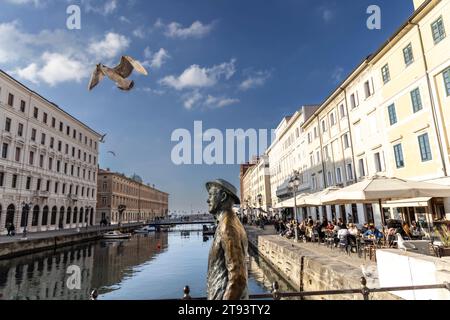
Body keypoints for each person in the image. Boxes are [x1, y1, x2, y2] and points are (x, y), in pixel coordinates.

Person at [206, 179, 248, 300]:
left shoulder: (227, 226)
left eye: (211, 195)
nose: (207, 200)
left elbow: (238, 279)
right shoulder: (231, 221)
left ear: (223, 196)